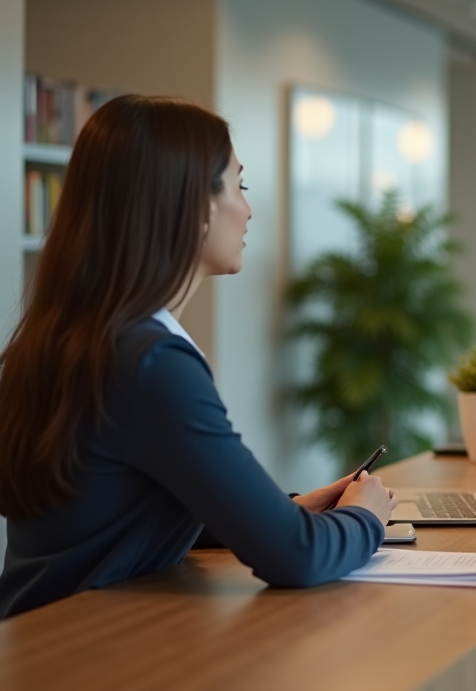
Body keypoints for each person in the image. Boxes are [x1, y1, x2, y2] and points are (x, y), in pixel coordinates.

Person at [0, 96, 398, 619]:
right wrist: (365, 518)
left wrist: (282, 511)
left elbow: (116, 510)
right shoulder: (151, 363)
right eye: (239, 184)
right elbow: (297, 557)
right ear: (195, 205)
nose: (249, 208)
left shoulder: (77, 337)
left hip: (41, 644)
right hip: (85, 654)